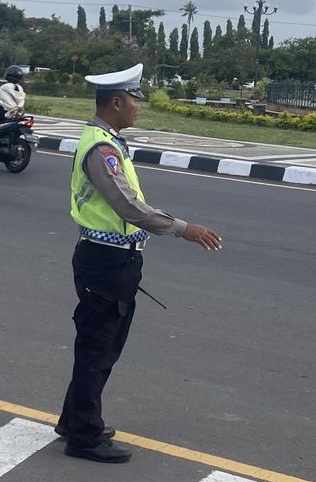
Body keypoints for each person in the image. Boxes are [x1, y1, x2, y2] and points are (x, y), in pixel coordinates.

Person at [56, 62, 223, 464]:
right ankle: (84, 436)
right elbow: (126, 205)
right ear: (117, 101)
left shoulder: (106, 140)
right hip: (106, 262)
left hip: (114, 260)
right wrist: (182, 228)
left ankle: (75, 419)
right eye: (134, 99)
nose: (138, 107)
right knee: (98, 347)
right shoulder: (101, 147)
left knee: (102, 345)